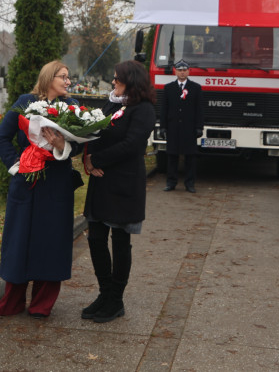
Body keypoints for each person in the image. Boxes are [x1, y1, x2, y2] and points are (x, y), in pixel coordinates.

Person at [0, 61, 81, 318]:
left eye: (68, 77)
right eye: (63, 77)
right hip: (27, 182)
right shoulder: (25, 102)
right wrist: (15, 166)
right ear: (48, 78)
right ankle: (13, 300)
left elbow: (81, 145)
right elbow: (2, 137)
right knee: (21, 239)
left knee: (51, 242)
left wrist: (62, 144)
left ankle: (42, 304)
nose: (68, 82)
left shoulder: (72, 106)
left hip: (56, 184)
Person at [82, 60, 157, 323]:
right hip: (101, 182)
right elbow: (94, 132)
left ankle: (116, 300)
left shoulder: (144, 109)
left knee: (120, 242)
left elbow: (132, 145)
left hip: (124, 184)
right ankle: (104, 294)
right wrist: (88, 159)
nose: (113, 82)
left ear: (131, 81)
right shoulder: (112, 103)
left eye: (117, 78)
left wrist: (98, 161)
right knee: (95, 239)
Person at [160, 59, 203, 193]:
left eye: (184, 70)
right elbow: (164, 109)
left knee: (190, 157)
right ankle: (171, 182)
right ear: (175, 71)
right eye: (180, 70)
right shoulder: (168, 88)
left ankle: (189, 184)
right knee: (172, 156)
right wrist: (163, 127)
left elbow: (199, 110)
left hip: (189, 128)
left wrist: (199, 127)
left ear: (188, 71)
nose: (182, 73)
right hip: (173, 127)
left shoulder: (196, 88)